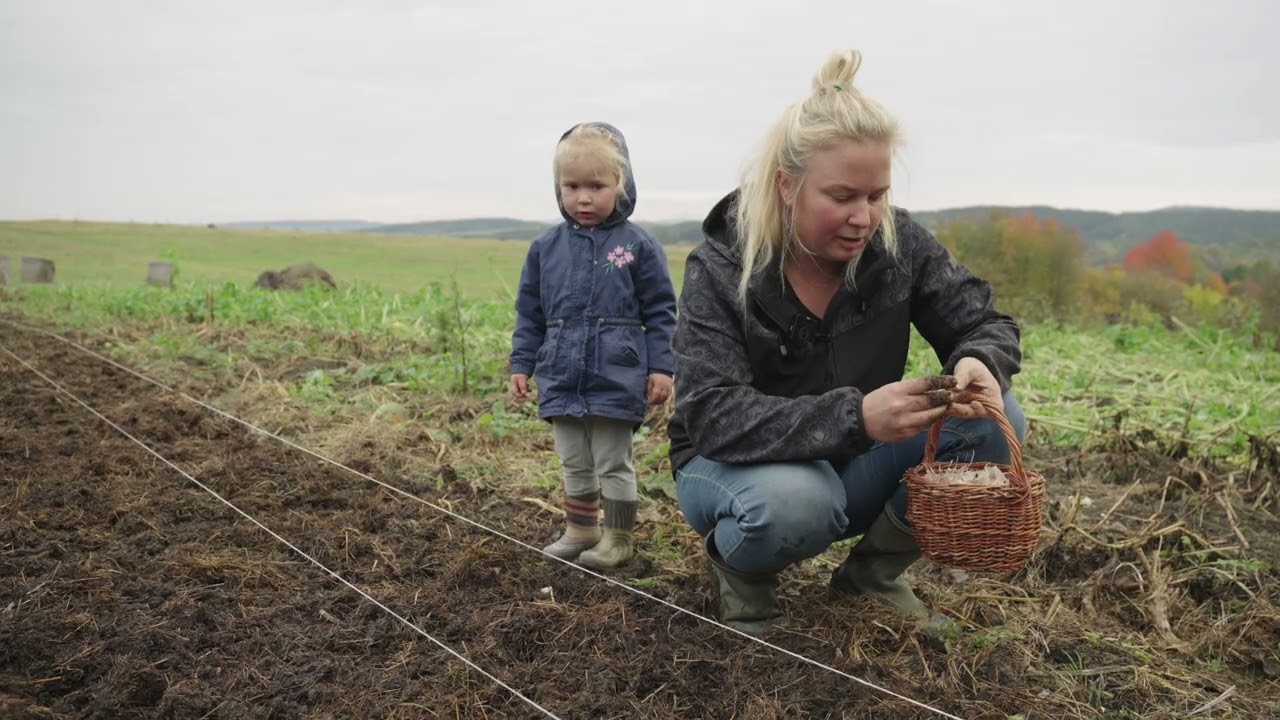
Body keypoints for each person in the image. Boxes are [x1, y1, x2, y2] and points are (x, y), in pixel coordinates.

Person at [666, 50, 1028, 636]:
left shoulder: (899, 244)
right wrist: (857, 416)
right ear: (788, 185)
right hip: (734, 468)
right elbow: (710, 414)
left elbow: (985, 319)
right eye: (842, 197)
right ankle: (741, 572)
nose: (865, 217)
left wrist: (977, 358)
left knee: (995, 415)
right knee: (794, 503)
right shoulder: (722, 265)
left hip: (850, 454)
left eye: (877, 194)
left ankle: (872, 576)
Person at [510, 122, 678, 570]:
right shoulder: (546, 247)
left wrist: (662, 367)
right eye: (572, 186)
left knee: (612, 461)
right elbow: (531, 314)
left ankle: (618, 537)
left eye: (596, 186)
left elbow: (662, 312)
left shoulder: (637, 245)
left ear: (620, 185)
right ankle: (580, 529)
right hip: (562, 372)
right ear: (558, 187)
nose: (583, 198)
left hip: (616, 372)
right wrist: (522, 363)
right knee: (574, 460)